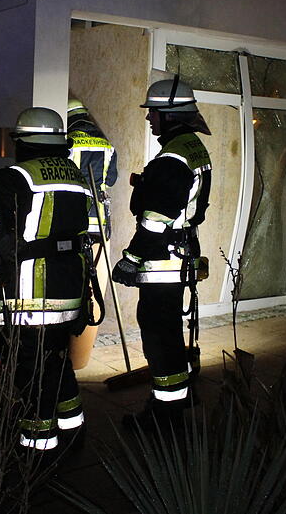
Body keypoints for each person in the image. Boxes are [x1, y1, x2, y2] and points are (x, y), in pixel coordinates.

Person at [0, 107, 91, 456]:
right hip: (69, 287)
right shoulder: (74, 174)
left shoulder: (18, 176)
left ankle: (36, 446)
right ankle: (73, 429)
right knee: (57, 360)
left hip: (33, 293)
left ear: (24, 142)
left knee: (31, 368)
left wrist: (1, 238)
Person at [112, 77, 212, 429]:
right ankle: (177, 400)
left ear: (170, 115)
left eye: (153, 112)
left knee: (159, 336)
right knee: (169, 332)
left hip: (162, 261)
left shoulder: (172, 157)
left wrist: (130, 259)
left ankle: (163, 418)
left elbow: (156, 220)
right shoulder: (192, 147)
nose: (149, 118)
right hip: (179, 254)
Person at [66, 98, 117, 369]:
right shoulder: (106, 144)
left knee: (72, 287)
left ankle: (69, 355)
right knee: (94, 289)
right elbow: (111, 180)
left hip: (75, 222)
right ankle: (81, 357)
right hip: (99, 223)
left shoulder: (69, 140)